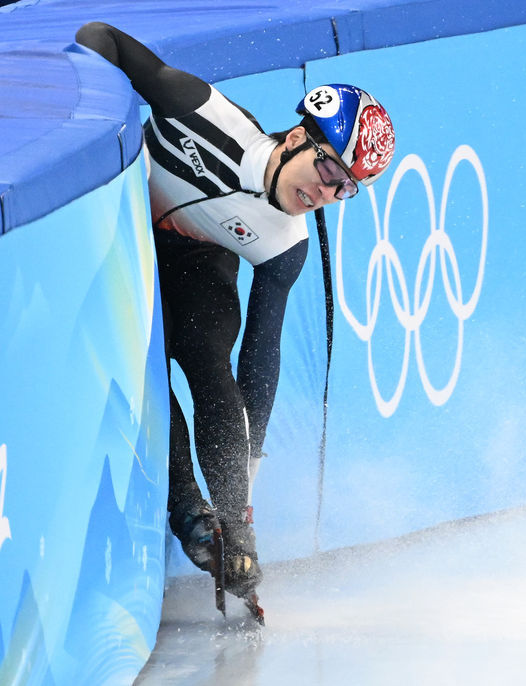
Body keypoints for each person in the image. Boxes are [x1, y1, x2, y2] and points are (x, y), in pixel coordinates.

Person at [74, 23, 396, 605]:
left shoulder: (285, 245)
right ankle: (184, 504)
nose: (326, 195)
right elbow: (104, 37)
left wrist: (240, 496)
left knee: (209, 362)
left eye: (345, 190)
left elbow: (260, 361)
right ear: (301, 137)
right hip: (123, 238)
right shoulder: (203, 114)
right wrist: (86, 122)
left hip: (198, 260)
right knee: (143, 355)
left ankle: (217, 521)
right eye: (329, 173)